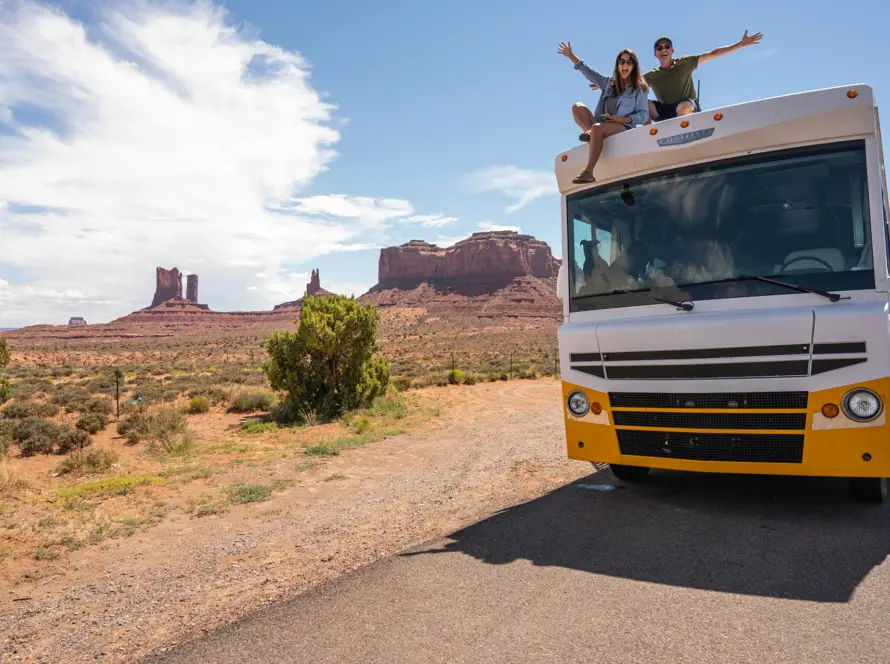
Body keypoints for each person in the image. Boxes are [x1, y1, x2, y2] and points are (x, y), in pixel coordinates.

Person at [558, 42, 649, 184]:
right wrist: (570, 55)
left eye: (629, 62)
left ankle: (588, 172)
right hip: (601, 124)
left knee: (597, 128)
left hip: (622, 126)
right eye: (622, 61)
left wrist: (623, 119)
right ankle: (591, 134)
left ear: (634, 66)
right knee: (577, 107)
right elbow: (588, 71)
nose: (625, 65)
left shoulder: (640, 89)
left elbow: (643, 115)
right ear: (617, 65)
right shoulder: (607, 83)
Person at [644, 31, 763, 122]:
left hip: (687, 107)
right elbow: (634, 83)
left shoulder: (685, 63)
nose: (663, 50)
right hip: (666, 111)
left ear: (672, 50)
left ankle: (684, 132)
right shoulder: (652, 75)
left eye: (667, 46)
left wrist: (739, 45)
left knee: (683, 107)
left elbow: (711, 54)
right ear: (655, 53)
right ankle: (649, 135)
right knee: (642, 102)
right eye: (659, 48)